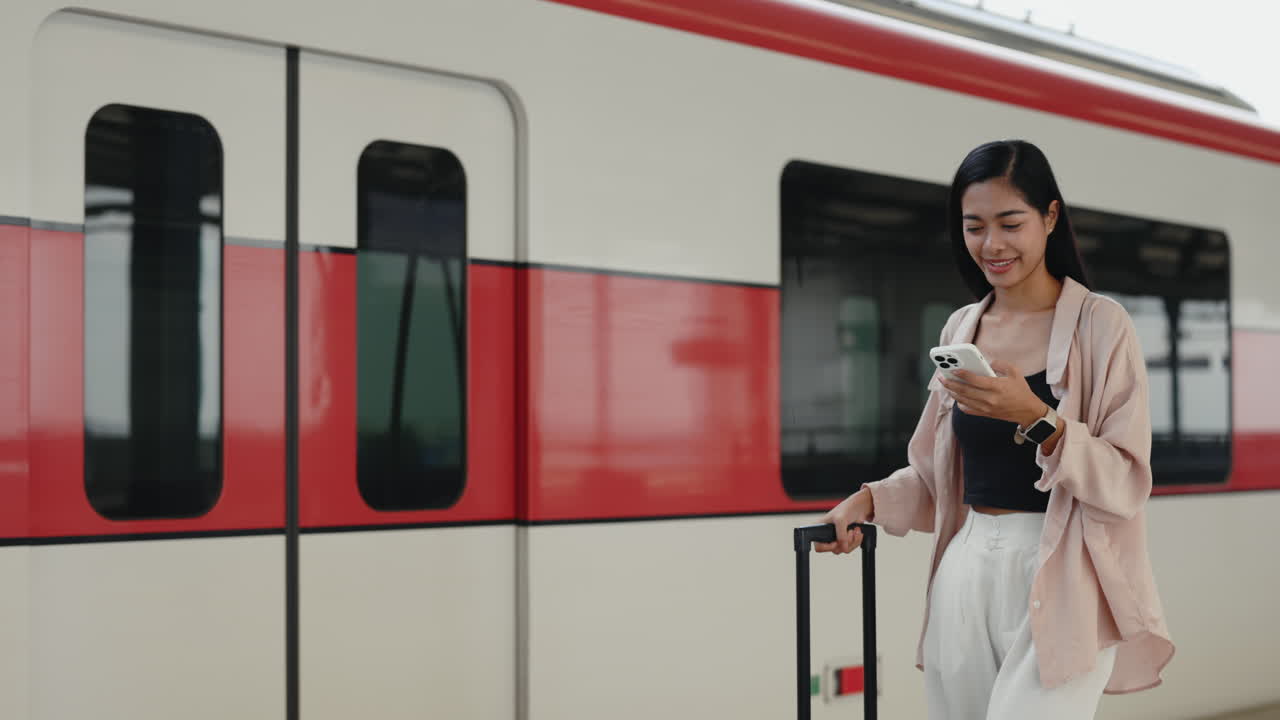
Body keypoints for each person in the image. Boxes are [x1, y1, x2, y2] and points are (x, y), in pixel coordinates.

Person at [815, 140, 1174, 720]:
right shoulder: (964, 325)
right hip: (966, 564)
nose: (992, 245)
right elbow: (938, 475)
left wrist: (1034, 415)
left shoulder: (1102, 325)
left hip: (1064, 572)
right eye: (974, 226)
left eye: (1011, 223)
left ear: (1050, 217)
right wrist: (867, 501)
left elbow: (1127, 481)